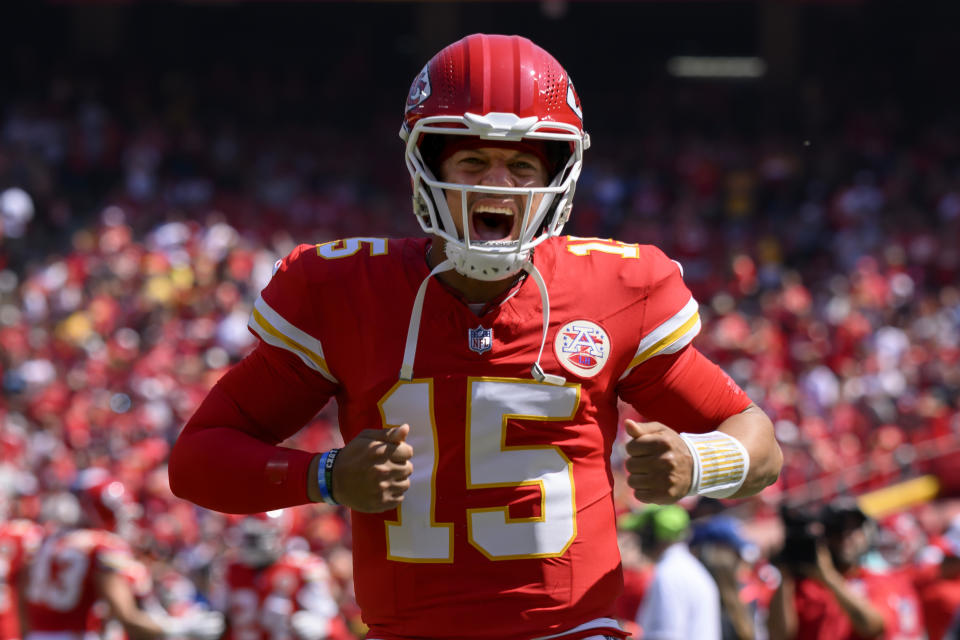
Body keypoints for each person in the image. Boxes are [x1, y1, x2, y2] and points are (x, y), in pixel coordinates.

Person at [169, 32, 782, 640]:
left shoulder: (616, 287)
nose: (498, 185)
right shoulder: (344, 289)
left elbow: (759, 445)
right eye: (472, 162)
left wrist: (699, 463)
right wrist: (325, 475)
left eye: (521, 164)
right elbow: (197, 459)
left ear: (560, 176)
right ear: (426, 167)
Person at [21, 469, 224, 640]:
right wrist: (181, 629)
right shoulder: (103, 546)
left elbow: (23, 595)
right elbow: (127, 616)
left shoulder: (48, 539)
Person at [767, 499, 923, 640]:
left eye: (854, 529)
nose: (845, 537)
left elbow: (872, 627)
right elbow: (778, 636)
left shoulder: (880, 580)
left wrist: (828, 577)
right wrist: (785, 575)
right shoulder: (803, 587)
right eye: (837, 529)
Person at [210, 510, 350, 640]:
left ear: (279, 534)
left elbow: (335, 624)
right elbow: (218, 619)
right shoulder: (230, 568)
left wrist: (325, 628)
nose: (250, 545)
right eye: (247, 537)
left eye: (257, 538)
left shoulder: (304, 568)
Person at [623, 505, 721, 639]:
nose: (640, 541)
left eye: (642, 533)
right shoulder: (685, 567)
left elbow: (665, 635)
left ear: (653, 534)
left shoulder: (669, 573)